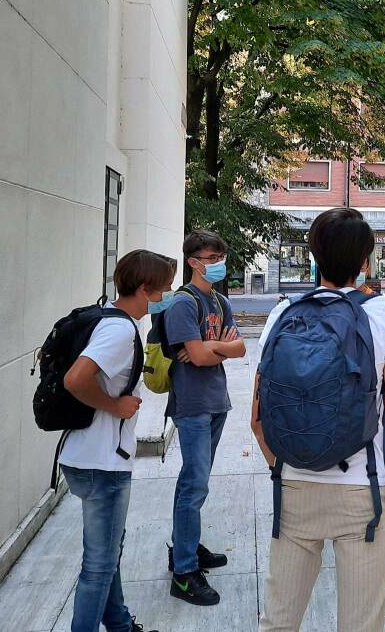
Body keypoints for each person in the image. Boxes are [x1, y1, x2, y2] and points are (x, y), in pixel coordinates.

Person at [253, 207, 385, 632]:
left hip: (294, 486)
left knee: (278, 620)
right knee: (360, 624)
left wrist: (284, 465)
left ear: (313, 256)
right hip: (365, 491)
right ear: (365, 263)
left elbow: (258, 416)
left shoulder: (282, 313)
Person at [59, 250, 175, 632]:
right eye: (163, 290)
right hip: (101, 464)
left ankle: (121, 625)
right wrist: (115, 405)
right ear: (144, 289)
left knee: (109, 553)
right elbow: (76, 380)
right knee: (98, 566)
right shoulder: (120, 330)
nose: (165, 297)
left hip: (89, 457)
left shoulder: (110, 318)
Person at [164, 231, 246, 605]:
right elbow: (195, 358)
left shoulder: (219, 300)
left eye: (221, 257)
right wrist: (217, 348)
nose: (218, 264)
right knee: (194, 484)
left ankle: (187, 545)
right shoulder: (183, 304)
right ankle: (183, 572)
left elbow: (240, 347)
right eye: (212, 257)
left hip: (217, 402)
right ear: (194, 262)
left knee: (196, 482)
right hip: (193, 405)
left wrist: (210, 346)